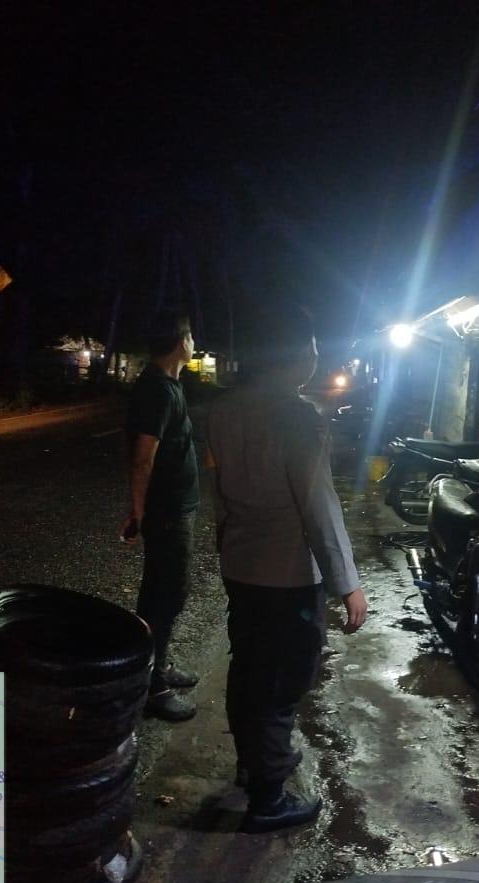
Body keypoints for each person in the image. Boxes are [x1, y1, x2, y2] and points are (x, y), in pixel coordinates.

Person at [206, 307, 368, 832]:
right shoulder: (296, 416)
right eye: (313, 348)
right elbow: (318, 505)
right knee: (282, 678)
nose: (316, 357)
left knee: (249, 668)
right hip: (287, 572)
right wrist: (347, 584)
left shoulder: (222, 410)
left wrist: (226, 543)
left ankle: (253, 762)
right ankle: (268, 798)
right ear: (294, 354)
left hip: (242, 565)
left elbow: (219, 492)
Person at [120, 310, 201, 722]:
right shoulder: (159, 391)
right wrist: (139, 512)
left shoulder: (167, 385)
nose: (194, 343)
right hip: (167, 512)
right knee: (165, 595)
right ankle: (153, 686)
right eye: (190, 336)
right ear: (180, 341)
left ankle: (157, 666)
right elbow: (142, 459)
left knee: (165, 593)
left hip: (171, 509)